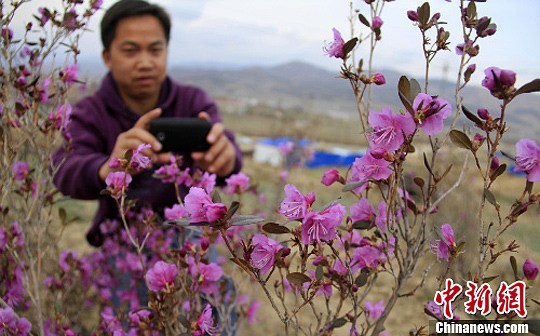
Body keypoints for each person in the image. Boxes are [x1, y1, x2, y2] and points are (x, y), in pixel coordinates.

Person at [52, 0, 242, 247]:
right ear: (107, 57)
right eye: (130, 50)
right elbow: (63, 169)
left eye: (155, 50)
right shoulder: (90, 113)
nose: (145, 62)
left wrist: (226, 161)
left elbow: (230, 157)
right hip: (123, 241)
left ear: (166, 51)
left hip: (189, 238)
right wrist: (107, 168)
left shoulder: (194, 101)